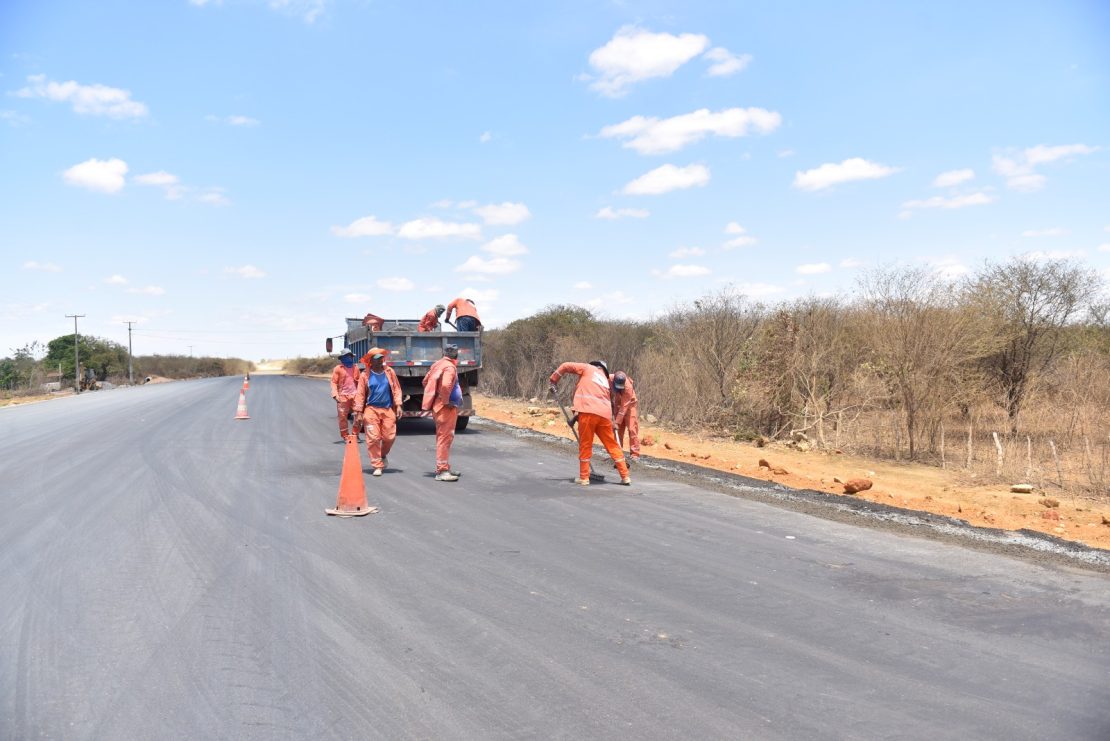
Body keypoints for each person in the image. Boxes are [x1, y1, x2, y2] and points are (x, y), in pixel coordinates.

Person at [549, 360, 631, 486]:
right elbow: (594, 399)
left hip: (587, 413)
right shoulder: (604, 380)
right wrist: (575, 419)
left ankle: (584, 477)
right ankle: (625, 476)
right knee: (612, 445)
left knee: (585, 445)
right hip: (604, 415)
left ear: (595, 365)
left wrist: (554, 380)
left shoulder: (587, 368)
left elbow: (565, 366)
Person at [353, 347, 403, 476]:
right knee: (373, 438)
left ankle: (382, 454)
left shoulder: (389, 372)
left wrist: (398, 405)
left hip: (387, 409)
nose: (380, 361)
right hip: (371, 410)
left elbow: (396, 389)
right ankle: (377, 465)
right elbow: (360, 395)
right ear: (370, 361)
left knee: (389, 437)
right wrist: (358, 412)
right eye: (377, 359)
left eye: (381, 358)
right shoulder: (365, 375)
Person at [422, 344, 462, 481]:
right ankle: (442, 471)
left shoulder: (437, 364)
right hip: (445, 408)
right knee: (445, 438)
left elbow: (425, 381)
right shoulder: (450, 367)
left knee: (443, 437)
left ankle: (444, 466)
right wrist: (445, 401)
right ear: (456, 355)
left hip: (438, 407)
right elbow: (445, 385)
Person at [329, 349, 362, 441]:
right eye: (346, 356)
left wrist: (362, 395)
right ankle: (345, 436)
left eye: (350, 356)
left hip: (355, 395)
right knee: (342, 417)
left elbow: (360, 382)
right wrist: (335, 395)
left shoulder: (356, 368)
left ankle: (355, 434)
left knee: (358, 415)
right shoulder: (338, 369)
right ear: (342, 359)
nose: (349, 358)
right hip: (342, 396)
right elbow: (334, 382)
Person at [611, 371, 640, 461]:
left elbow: (624, 407)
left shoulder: (628, 388)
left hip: (630, 405)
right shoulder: (609, 379)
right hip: (617, 404)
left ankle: (635, 454)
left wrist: (617, 422)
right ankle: (617, 451)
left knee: (632, 429)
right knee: (618, 430)